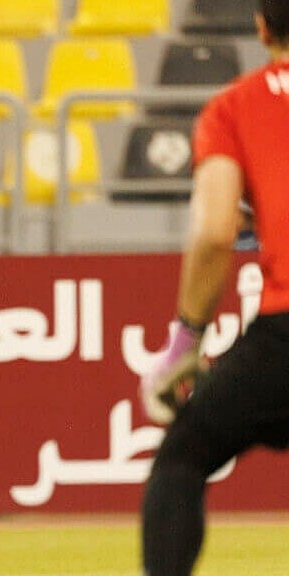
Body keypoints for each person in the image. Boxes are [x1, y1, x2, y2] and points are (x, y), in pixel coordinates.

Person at [139, 2, 289, 575]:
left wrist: (186, 342)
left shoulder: (234, 107)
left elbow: (212, 231)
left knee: (183, 458)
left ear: (262, 26)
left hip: (283, 337)